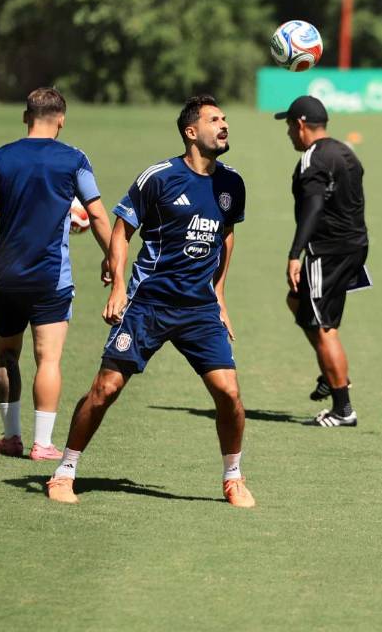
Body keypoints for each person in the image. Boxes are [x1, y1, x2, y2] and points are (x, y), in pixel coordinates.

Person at [47, 95, 254, 508]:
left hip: (199, 309)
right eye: (214, 120)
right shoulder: (158, 178)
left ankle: (233, 477)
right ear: (191, 132)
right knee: (105, 389)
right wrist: (118, 287)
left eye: (225, 118)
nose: (224, 125)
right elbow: (122, 230)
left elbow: (226, 236)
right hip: (149, 304)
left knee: (229, 393)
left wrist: (220, 295)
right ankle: (65, 470)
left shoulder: (232, 183)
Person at [0, 87, 113, 460]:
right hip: (51, 279)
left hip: (7, 278)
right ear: (61, 119)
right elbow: (96, 213)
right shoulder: (74, 159)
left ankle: (11, 437)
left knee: (6, 356)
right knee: (48, 360)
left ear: (25, 117)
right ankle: (42, 443)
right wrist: (112, 257)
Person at [275, 95, 371, 428]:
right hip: (354, 245)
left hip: (328, 252)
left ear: (301, 124)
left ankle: (343, 409)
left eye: (290, 125)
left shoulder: (312, 159)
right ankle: (331, 372)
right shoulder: (346, 152)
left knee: (324, 326)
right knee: (297, 301)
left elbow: (314, 207)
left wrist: (295, 253)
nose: (289, 132)